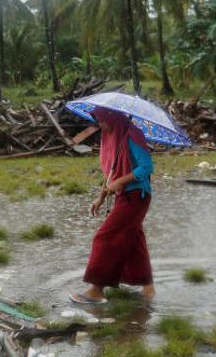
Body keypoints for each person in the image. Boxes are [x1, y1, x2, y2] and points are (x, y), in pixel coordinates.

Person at [70, 107, 155, 305]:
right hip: (123, 194)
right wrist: (100, 197)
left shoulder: (132, 134)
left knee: (105, 237)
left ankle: (96, 290)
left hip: (137, 195)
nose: (100, 125)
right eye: (97, 120)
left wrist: (122, 181)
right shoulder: (112, 137)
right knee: (134, 241)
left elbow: (146, 166)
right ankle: (148, 288)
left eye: (102, 120)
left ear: (111, 116)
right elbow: (110, 173)